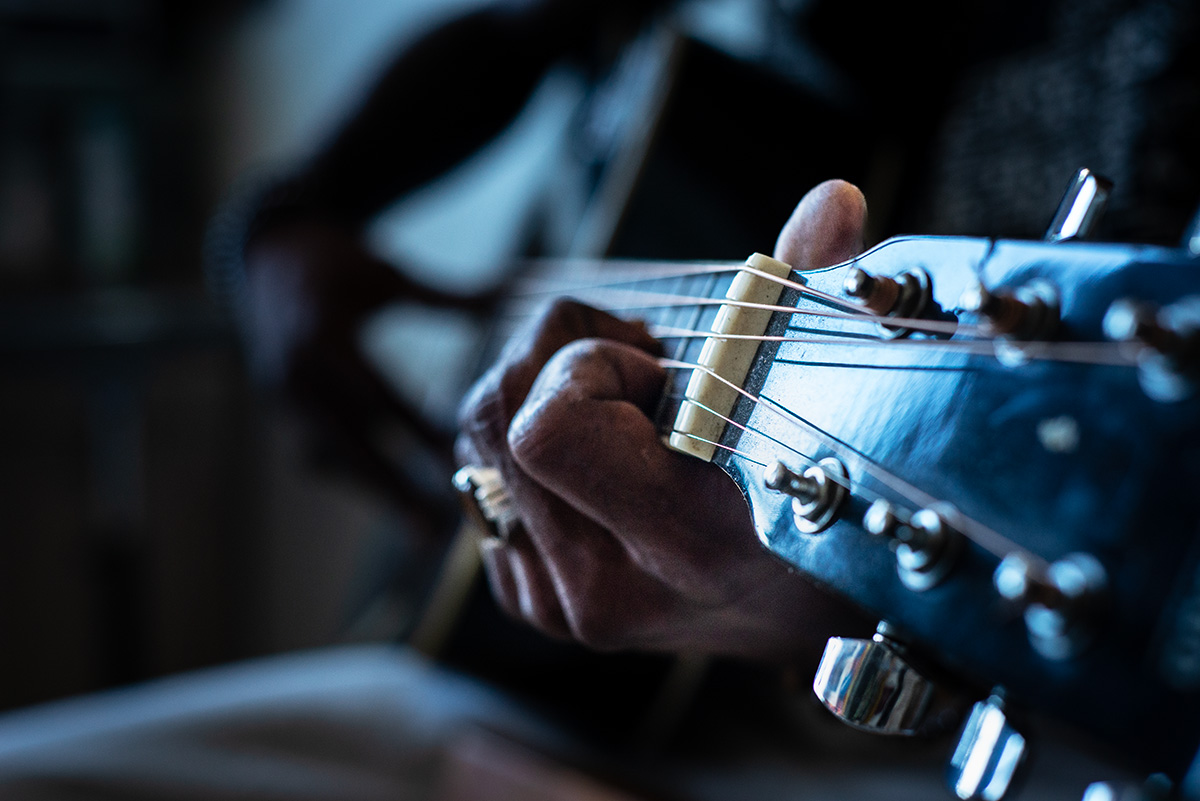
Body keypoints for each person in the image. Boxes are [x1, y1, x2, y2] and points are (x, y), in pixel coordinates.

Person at [3, 0, 1198, 797]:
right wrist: (284, 222)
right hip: (555, 659)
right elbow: (534, 27)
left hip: (932, 672)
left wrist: (811, 584)